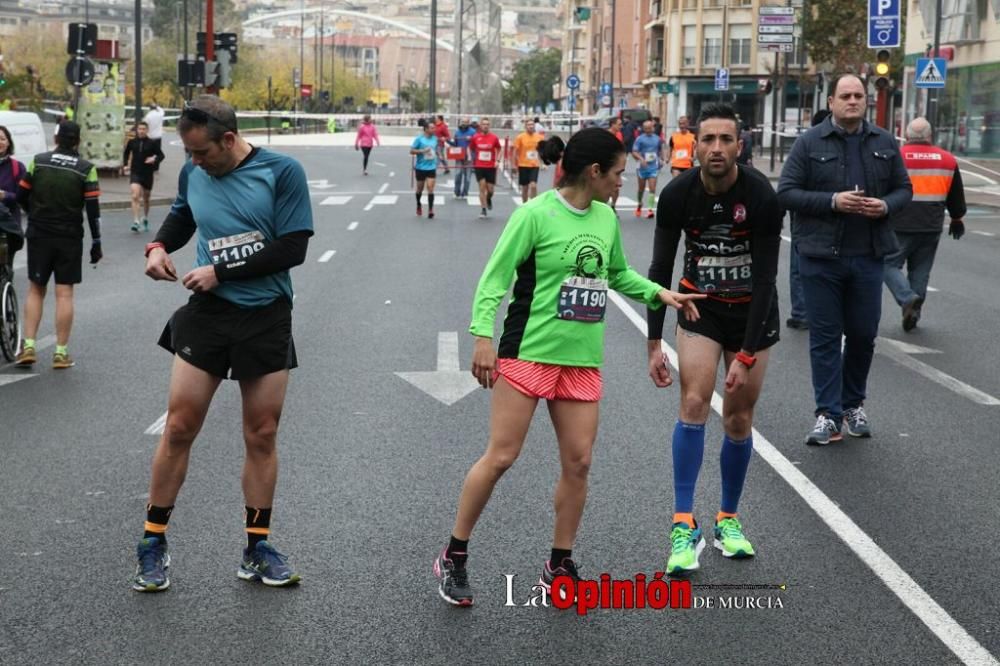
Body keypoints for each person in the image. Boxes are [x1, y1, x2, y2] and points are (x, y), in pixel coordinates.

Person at [433, 127, 704, 606]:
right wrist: (481, 336)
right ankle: (454, 554)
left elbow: (615, 273)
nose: (623, 181)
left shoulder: (604, 218)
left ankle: (559, 562)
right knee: (501, 457)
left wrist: (658, 293)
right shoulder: (535, 215)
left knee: (578, 463)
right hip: (528, 351)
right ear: (595, 172)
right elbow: (494, 279)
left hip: (580, 361)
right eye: (619, 173)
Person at [133, 95, 313, 592]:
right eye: (188, 153)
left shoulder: (282, 172)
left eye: (201, 153)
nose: (193, 163)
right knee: (180, 426)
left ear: (229, 140)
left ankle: (257, 548)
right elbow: (184, 214)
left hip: (266, 315)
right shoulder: (196, 173)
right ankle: (152, 543)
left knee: (261, 433)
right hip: (208, 316)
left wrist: (221, 270)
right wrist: (156, 247)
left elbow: (293, 246)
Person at [647, 103, 782, 575]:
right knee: (694, 402)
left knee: (740, 418)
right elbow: (660, 271)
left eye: (726, 140)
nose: (717, 148)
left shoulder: (761, 195)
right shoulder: (677, 194)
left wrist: (745, 354)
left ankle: (728, 518)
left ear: (739, 147)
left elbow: (766, 279)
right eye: (709, 140)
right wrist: (652, 343)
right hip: (698, 308)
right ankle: (683, 523)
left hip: (751, 314)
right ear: (694, 145)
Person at [777, 74, 912, 446]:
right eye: (845, 96)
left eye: (859, 96)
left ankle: (853, 404)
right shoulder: (809, 142)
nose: (853, 101)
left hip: (868, 256)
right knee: (823, 337)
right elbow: (786, 192)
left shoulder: (883, 141)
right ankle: (827, 414)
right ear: (832, 101)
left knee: (864, 335)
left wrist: (886, 205)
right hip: (821, 257)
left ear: (865, 101)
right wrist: (832, 201)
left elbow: (905, 189)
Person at [13, 121, 101, 369]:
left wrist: (35, 214)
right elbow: (93, 212)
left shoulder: (37, 161)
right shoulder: (87, 169)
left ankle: (28, 346)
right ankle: (61, 353)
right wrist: (97, 242)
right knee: (64, 293)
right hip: (69, 236)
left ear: (56, 138)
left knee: (35, 289)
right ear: (78, 141)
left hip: (39, 233)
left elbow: (21, 196)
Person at [884, 117, 966, 332]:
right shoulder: (947, 159)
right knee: (920, 271)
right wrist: (957, 218)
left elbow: (882, 188)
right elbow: (956, 195)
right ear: (930, 136)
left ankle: (907, 298)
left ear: (907, 136)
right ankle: (913, 313)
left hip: (899, 223)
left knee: (887, 264)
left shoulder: (895, 156)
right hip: (931, 225)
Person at [786, 108, 831, 331]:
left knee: (799, 267)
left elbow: (787, 189)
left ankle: (802, 313)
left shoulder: (803, 145)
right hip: (837, 221)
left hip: (804, 219)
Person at [122, 121, 166, 233]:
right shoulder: (132, 142)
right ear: (137, 130)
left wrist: (154, 159)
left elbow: (161, 155)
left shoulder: (152, 143)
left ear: (147, 130)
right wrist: (126, 165)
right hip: (135, 172)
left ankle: (145, 218)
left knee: (146, 198)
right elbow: (126, 153)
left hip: (147, 174)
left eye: (143, 129)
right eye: (139, 129)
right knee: (135, 195)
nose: (141, 131)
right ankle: (136, 221)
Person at [0, 126, 26, 271]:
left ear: (9, 142)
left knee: (6, 267)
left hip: (8, 227)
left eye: (2, 139)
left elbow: (24, 197)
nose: (0, 142)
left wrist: (5, 195)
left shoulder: (17, 167)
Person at [468, 117, 502, 219]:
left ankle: (488, 198)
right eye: (483, 124)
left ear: (489, 126)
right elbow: (470, 148)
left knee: (490, 190)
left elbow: (500, 149)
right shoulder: (475, 137)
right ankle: (483, 210)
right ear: (480, 126)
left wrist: (498, 161)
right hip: (479, 166)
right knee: (482, 187)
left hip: (490, 166)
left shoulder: (494, 138)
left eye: (487, 124)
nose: (485, 126)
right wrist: (470, 158)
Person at [631, 120, 665, 219]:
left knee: (652, 188)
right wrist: (641, 159)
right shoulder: (639, 139)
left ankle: (650, 209)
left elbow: (660, 150)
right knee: (641, 189)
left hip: (653, 166)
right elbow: (634, 151)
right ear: (643, 129)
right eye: (646, 128)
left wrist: (662, 159)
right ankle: (639, 204)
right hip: (642, 167)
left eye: (649, 128)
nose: (648, 130)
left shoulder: (657, 139)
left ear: (653, 128)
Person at [410, 120, 439, 219]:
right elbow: (411, 151)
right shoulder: (419, 139)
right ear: (426, 129)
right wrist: (422, 151)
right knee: (420, 189)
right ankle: (419, 204)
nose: (434, 129)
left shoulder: (435, 138)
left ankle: (431, 210)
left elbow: (436, 149)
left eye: (434, 128)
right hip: (420, 167)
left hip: (431, 167)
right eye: (432, 128)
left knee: (430, 188)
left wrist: (438, 155)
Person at [512, 118, 544, 203]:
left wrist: (543, 163)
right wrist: (513, 165)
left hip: (534, 165)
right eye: (529, 125)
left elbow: (541, 151)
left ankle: (533, 204)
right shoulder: (520, 137)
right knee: (525, 188)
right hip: (523, 165)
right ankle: (524, 205)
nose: (531, 126)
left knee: (533, 185)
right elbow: (515, 152)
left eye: (532, 125)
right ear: (525, 126)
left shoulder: (539, 137)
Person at [450, 117, 476, 199]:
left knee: (467, 177)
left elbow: (477, 143)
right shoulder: (457, 132)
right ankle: (456, 192)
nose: (464, 123)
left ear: (469, 123)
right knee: (458, 175)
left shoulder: (473, 132)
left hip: (469, 157)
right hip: (459, 157)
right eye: (463, 122)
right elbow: (455, 144)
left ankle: (465, 193)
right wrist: (446, 140)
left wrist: (471, 139)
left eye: (466, 122)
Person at [143, 102, 165, 168]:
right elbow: (162, 110)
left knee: (150, 152)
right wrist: (157, 106)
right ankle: (156, 165)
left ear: (149, 108)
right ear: (155, 108)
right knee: (157, 152)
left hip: (150, 136)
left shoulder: (148, 116)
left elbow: (145, 125)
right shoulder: (160, 114)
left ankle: (150, 165)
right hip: (158, 136)